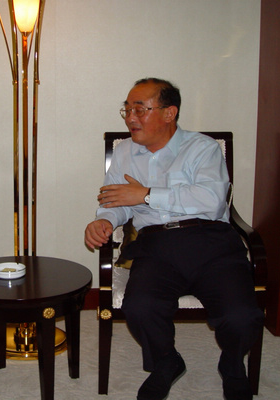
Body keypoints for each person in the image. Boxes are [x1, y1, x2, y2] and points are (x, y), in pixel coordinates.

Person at [84, 78, 264, 400]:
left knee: (242, 316)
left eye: (140, 109)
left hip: (211, 243)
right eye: (127, 109)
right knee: (140, 307)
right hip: (157, 246)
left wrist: (147, 195)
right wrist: (103, 221)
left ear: (169, 113)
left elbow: (211, 201)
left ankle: (233, 365)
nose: (130, 117)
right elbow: (115, 203)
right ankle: (166, 360)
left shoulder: (202, 148)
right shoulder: (124, 152)